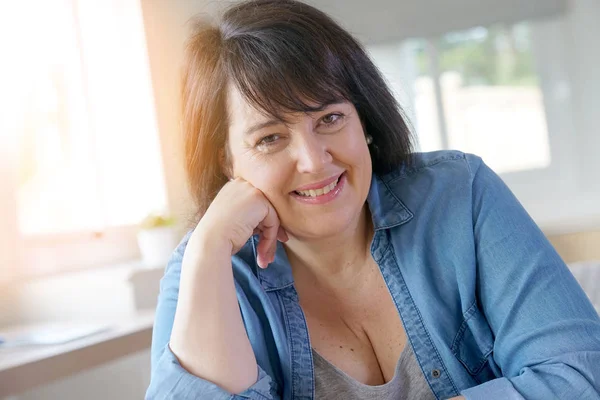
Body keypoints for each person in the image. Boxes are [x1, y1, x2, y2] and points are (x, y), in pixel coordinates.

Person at [146, 0, 600, 399]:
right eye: (269, 138)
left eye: (329, 118)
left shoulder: (462, 193)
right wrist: (207, 249)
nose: (313, 160)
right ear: (226, 161)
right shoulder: (204, 269)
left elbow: (579, 374)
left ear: (363, 118)